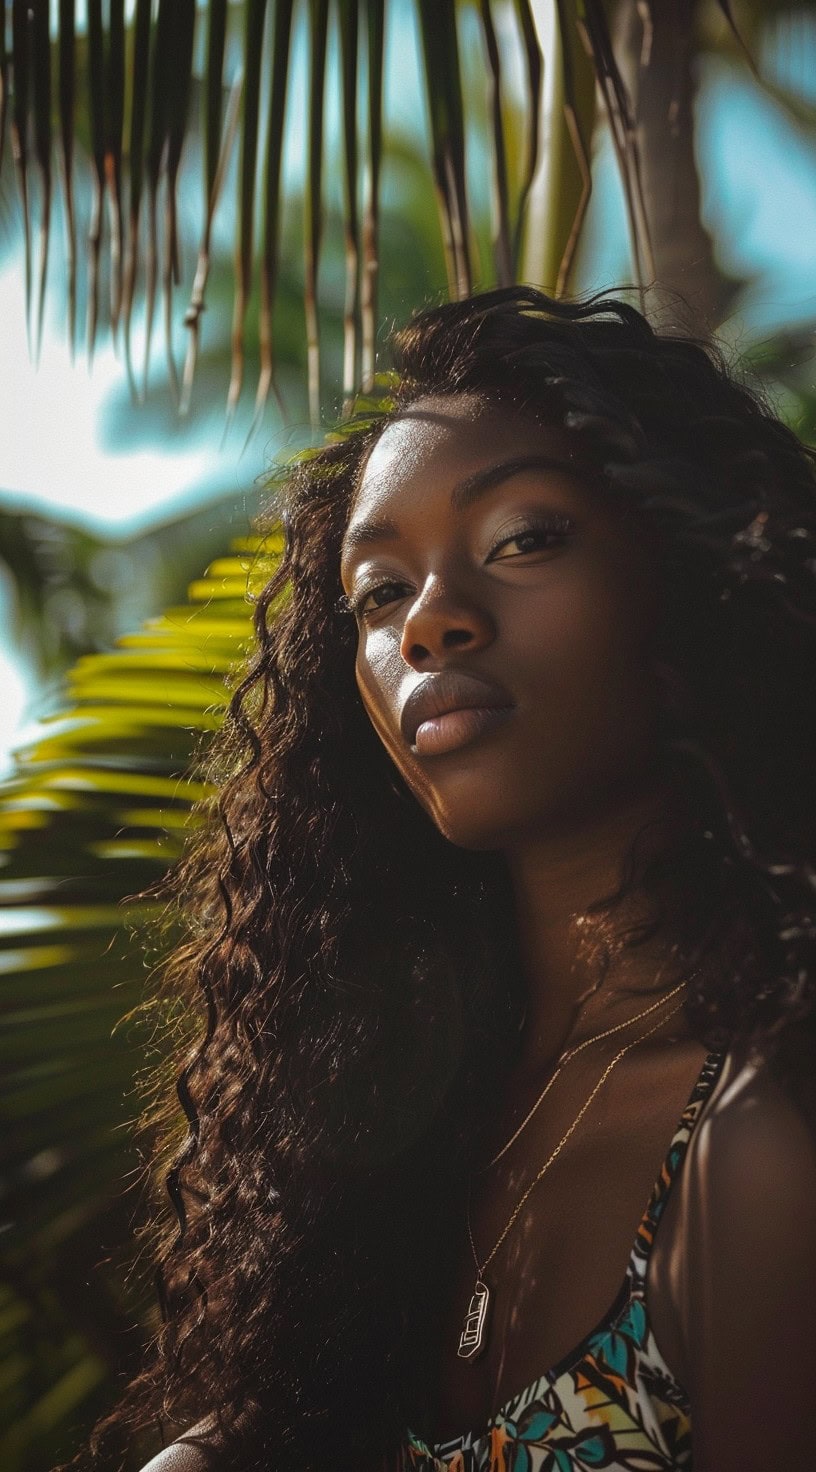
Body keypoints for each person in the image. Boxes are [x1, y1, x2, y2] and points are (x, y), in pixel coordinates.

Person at [70, 287, 816, 1472]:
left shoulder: (759, 1136)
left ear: (692, 571)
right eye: (377, 591)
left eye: (523, 537)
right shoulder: (385, 1122)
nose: (428, 625)